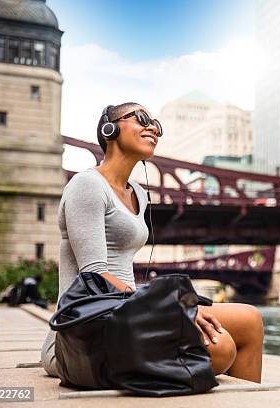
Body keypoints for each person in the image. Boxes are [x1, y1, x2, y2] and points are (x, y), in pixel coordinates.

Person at [41, 103, 263, 383]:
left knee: (250, 320)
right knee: (219, 348)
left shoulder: (140, 194)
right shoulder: (87, 185)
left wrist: (168, 306)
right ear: (109, 130)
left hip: (130, 313)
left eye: (156, 123)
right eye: (142, 119)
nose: (153, 128)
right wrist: (167, 308)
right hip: (84, 330)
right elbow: (94, 275)